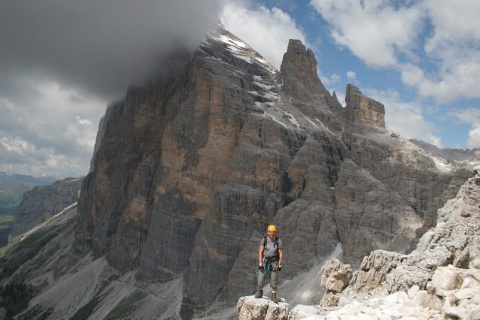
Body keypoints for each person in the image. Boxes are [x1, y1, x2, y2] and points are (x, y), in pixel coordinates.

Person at [254, 224, 284, 303]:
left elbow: (281, 253)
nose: (272, 233)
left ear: (275, 232)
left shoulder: (278, 241)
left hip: (274, 261)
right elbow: (260, 252)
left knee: (274, 279)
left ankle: (273, 296)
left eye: (273, 232)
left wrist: (280, 264)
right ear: (268, 232)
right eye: (270, 232)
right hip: (265, 261)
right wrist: (260, 263)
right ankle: (260, 291)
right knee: (261, 278)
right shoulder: (264, 240)